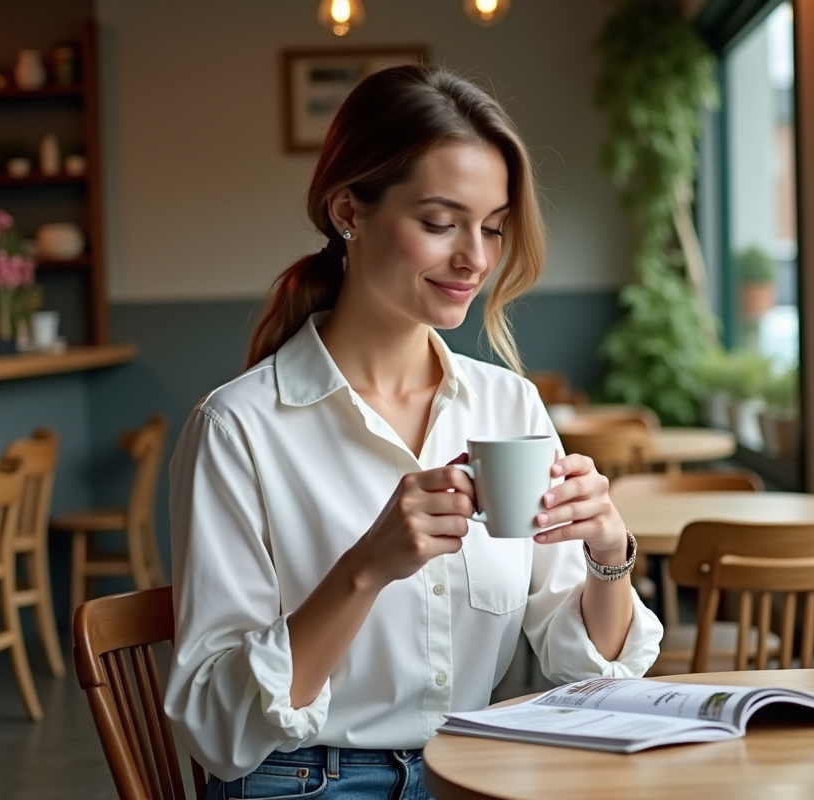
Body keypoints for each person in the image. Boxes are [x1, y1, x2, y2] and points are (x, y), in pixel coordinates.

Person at [164, 64, 662, 800]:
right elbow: (217, 728)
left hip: (475, 769)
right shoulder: (239, 427)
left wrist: (609, 554)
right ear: (348, 212)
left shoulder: (508, 407)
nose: (476, 258)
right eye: (439, 223)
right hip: (301, 782)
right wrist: (364, 569)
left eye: (492, 228)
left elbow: (585, 671)